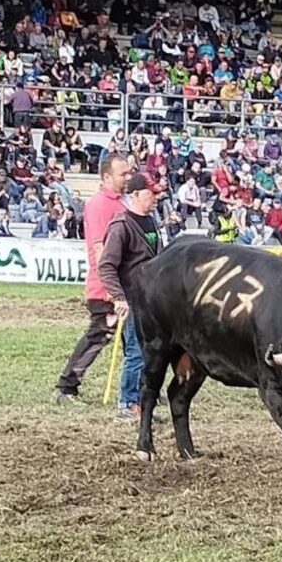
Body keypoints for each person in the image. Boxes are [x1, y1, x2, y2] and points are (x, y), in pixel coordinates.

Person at [54, 155, 131, 404]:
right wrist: (112, 290)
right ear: (107, 177)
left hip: (123, 286)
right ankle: (66, 386)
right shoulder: (99, 205)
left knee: (135, 340)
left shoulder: (122, 203)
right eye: (123, 174)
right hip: (105, 287)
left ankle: (140, 388)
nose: (128, 177)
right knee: (99, 335)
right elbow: (101, 250)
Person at [97, 174, 161, 419]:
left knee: (149, 352)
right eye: (149, 195)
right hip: (131, 299)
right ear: (134, 195)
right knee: (135, 351)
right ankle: (127, 402)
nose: (154, 199)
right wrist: (118, 297)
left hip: (150, 299)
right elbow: (106, 265)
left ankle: (143, 403)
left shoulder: (151, 222)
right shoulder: (121, 225)